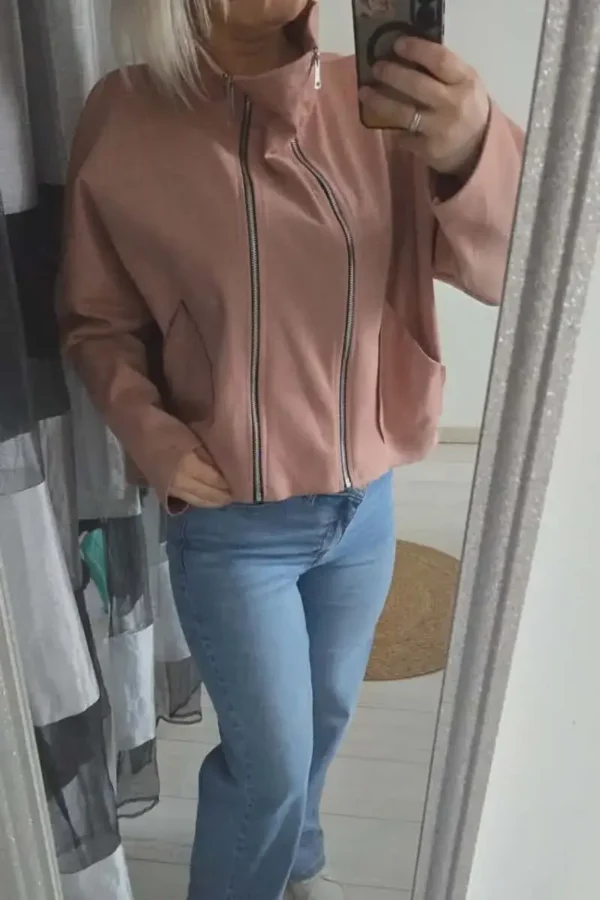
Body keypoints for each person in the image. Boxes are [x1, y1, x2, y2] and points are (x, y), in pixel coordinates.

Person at [57, 1, 523, 897]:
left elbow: (517, 269)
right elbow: (95, 321)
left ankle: (297, 858)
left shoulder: (379, 105)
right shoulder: (126, 116)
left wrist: (472, 149)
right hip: (234, 524)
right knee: (268, 765)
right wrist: (153, 437)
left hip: (365, 508)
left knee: (328, 718)